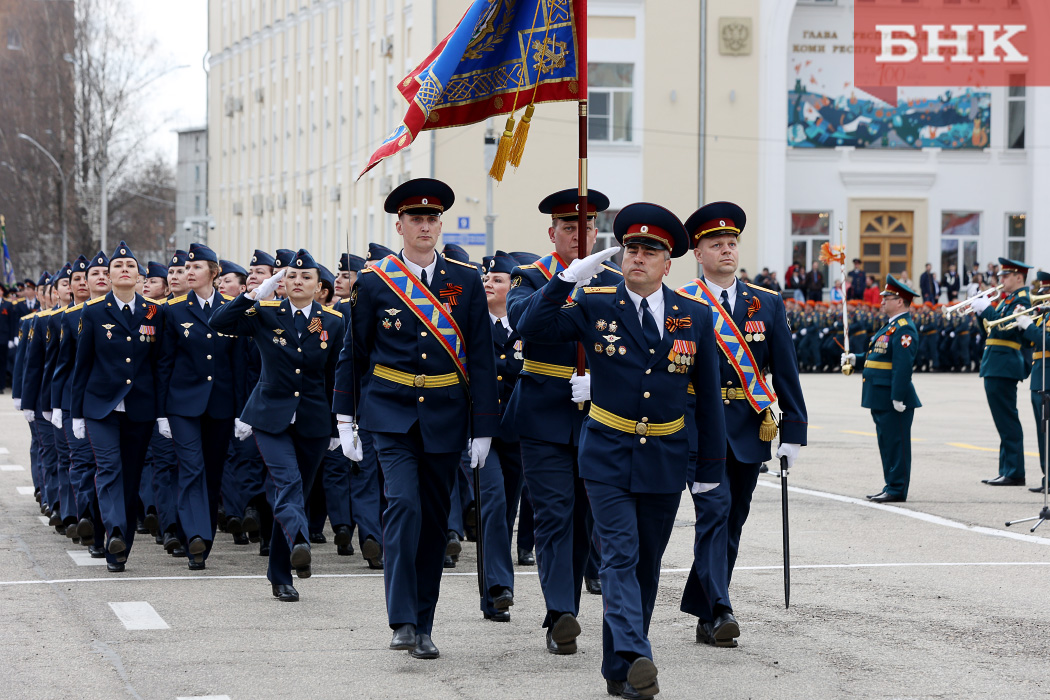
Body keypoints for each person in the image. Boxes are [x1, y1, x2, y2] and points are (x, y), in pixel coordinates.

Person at [516, 202, 725, 699]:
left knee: (647, 564)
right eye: (631, 248)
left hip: (665, 455)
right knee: (618, 556)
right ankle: (636, 654)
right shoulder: (595, 303)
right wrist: (567, 279)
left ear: (667, 262)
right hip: (606, 449)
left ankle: (617, 669)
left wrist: (709, 468)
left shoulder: (693, 317)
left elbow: (709, 398)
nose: (638, 257)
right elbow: (533, 328)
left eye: (650, 251)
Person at [334, 178, 499, 659]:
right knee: (403, 506)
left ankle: (423, 623)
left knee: (432, 522)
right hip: (390, 414)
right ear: (400, 225)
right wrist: (345, 418)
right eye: (415, 219)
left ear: (440, 224)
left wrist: (483, 427)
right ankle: (401, 619)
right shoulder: (374, 281)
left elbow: (483, 358)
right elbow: (355, 352)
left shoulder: (465, 280)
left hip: (446, 416)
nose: (424, 226)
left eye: (432, 219)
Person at [678, 201, 807, 648]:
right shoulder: (682, 302)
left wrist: (794, 431)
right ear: (699, 252)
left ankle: (706, 610)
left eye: (731, 243)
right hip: (698, 424)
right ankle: (720, 609)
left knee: (733, 519)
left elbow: (786, 372)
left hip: (751, 425)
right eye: (716, 244)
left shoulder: (766, 304)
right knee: (712, 514)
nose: (727, 251)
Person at [504, 187, 624, 656]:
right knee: (554, 515)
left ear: (598, 230)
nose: (580, 233)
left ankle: (566, 605)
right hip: (544, 414)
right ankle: (560, 615)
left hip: (601, 412)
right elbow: (523, 323)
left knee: (587, 519)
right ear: (552, 232)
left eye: (588, 226)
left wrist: (603, 382)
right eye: (569, 227)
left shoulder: (616, 280)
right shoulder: (529, 276)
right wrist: (564, 280)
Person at [211, 248, 344, 600]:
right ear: (282, 282)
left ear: (319, 286)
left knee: (297, 491)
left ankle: (280, 572)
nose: (298, 281)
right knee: (287, 483)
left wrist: (339, 425)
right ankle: (299, 542)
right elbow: (219, 322)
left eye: (307, 277)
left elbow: (337, 375)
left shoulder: (332, 321)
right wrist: (256, 292)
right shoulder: (265, 313)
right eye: (291, 276)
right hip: (270, 416)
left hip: (314, 419)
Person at [70, 242, 165, 572]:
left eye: (130, 265)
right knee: (109, 469)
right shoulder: (93, 312)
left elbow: (160, 364)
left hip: (140, 407)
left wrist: (162, 410)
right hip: (101, 408)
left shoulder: (154, 312)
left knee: (131, 476)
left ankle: (118, 547)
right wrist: (76, 413)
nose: (124, 269)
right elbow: (81, 365)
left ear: (139, 275)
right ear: (108, 277)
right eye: (118, 266)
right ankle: (115, 532)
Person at [156, 243, 244, 570]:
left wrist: (240, 411)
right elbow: (164, 363)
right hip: (181, 404)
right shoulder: (173, 310)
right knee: (191, 467)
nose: (188, 273)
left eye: (195, 268)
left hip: (220, 404)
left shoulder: (231, 307)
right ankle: (195, 535)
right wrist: (162, 411)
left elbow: (238, 364)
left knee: (212, 472)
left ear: (214, 272)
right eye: (185, 269)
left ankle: (200, 540)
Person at [475, 250, 526, 622]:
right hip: (482, 430)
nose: (489, 284)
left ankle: (490, 597)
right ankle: (499, 586)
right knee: (492, 502)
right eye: (486, 279)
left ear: (515, 286)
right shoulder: (471, 323)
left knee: (508, 508)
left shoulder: (527, 324)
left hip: (519, 430)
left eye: (498, 280)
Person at [842, 275, 922, 502]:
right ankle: (891, 485)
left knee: (896, 445)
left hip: (892, 397)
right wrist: (855, 359)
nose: (882, 300)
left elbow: (902, 366)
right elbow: (876, 356)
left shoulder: (904, 329)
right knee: (887, 443)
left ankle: (897, 488)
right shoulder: (890, 326)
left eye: (887, 297)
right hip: (879, 394)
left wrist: (898, 396)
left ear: (900, 301)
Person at [970, 257, 1032, 486]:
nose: (1001, 280)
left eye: (1006, 276)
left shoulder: (1022, 302)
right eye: (1001, 276)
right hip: (996, 364)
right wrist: (980, 312)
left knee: (1007, 420)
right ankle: (1007, 468)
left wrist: (987, 310)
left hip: (1005, 365)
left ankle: (1015, 471)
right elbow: (990, 330)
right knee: (1002, 420)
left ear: (1018, 277)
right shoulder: (1008, 301)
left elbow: (1006, 331)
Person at [1016, 271, 1050, 493]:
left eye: (1046, 293)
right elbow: (1030, 344)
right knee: (1042, 433)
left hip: (1049, 379)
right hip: (1038, 379)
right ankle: (1047, 477)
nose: (1042, 297)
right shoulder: (1043, 316)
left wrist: (1028, 325)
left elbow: (1045, 340)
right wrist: (1019, 323)